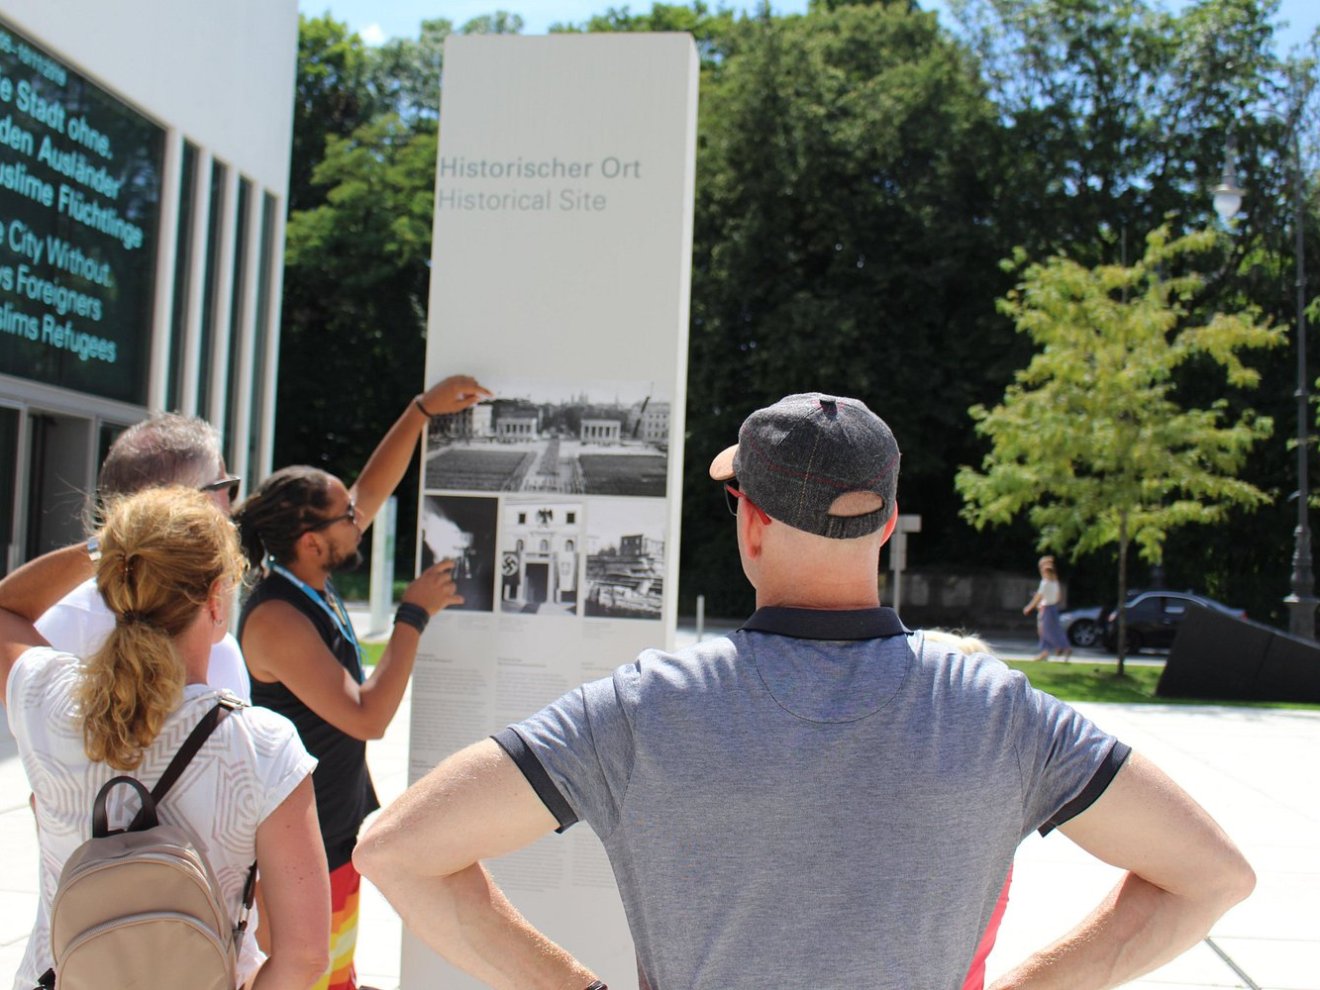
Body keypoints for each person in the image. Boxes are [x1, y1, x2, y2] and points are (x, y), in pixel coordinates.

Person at [354, 391, 1255, 990]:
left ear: (749, 521)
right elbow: (1212, 876)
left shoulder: (644, 706)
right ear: (883, 522)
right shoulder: (995, 710)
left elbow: (396, 850)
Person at [0, 487, 330, 990]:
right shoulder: (263, 746)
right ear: (217, 599)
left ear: (114, 580)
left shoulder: (48, 700)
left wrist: (109, 547)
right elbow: (304, 956)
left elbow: (6, 610)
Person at [233, 375, 489, 990]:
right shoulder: (275, 618)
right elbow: (368, 716)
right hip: (303, 841)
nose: (361, 517)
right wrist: (413, 615)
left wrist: (420, 410)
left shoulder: (309, 576)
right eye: (348, 516)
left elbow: (374, 483)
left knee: (335, 970)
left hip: (334, 825)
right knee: (310, 972)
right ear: (312, 541)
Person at [36, 413, 251, 699]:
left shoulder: (59, 620)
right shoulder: (66, 622)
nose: (231, 509)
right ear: (186, 503)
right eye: (227, 488)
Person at [1024, 554, 1071, 662]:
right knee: (1055, 630)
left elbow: (1038, 597)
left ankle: (1047, 651)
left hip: (1046, 609)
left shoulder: (1045, 583)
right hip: (1053, 608)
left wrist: (1029, 607)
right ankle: (1062, 648)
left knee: (1044, 631)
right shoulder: (1055, 582)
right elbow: (1058, 597)